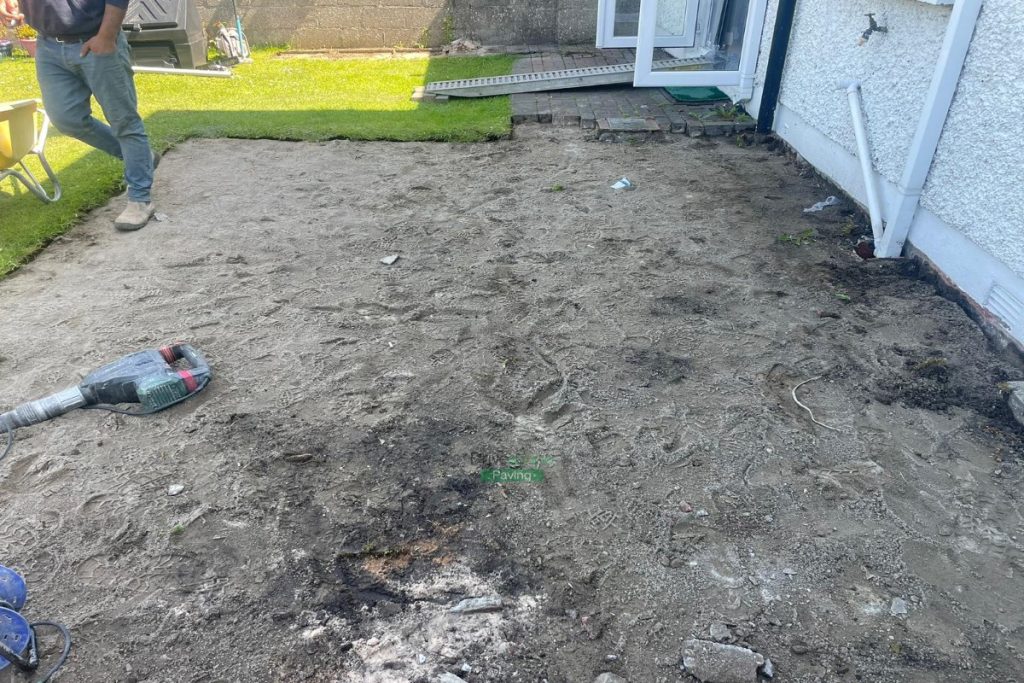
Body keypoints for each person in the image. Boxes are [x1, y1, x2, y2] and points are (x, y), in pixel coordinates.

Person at [19, 0, 159, 230]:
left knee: (124, 121)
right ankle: (142, 158)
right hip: (48, 46)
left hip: (97, 39)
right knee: (67, 119)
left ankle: (140, 199)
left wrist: (106, 36)